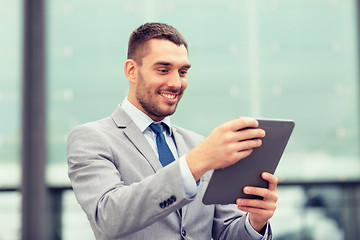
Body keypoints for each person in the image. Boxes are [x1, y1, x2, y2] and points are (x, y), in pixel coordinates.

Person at [67, 22, 279, 240]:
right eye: (163, 70)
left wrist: (256, 222)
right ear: (132, 71)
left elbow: (225, 232)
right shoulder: (91, 139)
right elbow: (108, 217)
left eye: (183, 71)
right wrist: (194, 164)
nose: (176, 83)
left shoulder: (198, 144)